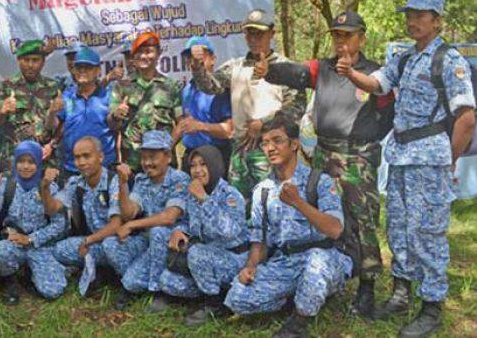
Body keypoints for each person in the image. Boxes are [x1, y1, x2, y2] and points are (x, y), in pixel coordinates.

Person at [340, 0, 475, 337]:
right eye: (409, 14)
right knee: (398, 228)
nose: (412, 21)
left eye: (420, 14)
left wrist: (449, 161)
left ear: (437, 19)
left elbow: (466, 118)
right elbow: (377, 83)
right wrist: (351, 74)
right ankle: (401, 293)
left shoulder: (448, 60)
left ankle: (431, 306)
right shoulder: (405, 58)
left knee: (426, 234)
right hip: (400, 157)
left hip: (429, 159)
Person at [259, 11, 392, 316]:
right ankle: (331, 277)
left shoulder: (376, 74)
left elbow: (387, 114)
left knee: (362, 220)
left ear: (362, 37)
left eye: (347, 35)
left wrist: (365, 139)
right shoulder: (324, 68)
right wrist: (269, 70)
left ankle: (367, 286)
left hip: (357, 157)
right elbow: (296, 72)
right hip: (323, 153)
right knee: (323, 214)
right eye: (336, 35)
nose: (341, 41)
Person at [224, 115, 352, 337]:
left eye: (277, 140)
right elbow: (260, 241)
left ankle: (299, 322)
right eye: (265, 143)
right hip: (286, 262)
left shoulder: (318, 181)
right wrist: (251, 267)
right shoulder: (262, 190)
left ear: (294, 144)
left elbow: (335, 230)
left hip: (323, 255)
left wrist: (299, 203)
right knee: (238, 297)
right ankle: (298, 297)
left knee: (316, 265)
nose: (270, 148)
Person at [190, 9, 306, 203]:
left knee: (273, 203)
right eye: (250, 33)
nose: (254, 39)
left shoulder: (286, 68)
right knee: (238, 205)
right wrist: (197, 67)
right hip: (240, 151)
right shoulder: (236, 66)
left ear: (272, 33)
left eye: (259, 33)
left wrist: (264, 123)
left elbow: (296, 108)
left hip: (272, 152)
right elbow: (210, 87)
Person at [158, 145, 248, 326]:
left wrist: (205, 200)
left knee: (197, 252)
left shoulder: (230, 195)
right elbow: (192, 222)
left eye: (203, 164)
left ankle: (213, 305)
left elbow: (229, 231)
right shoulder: (194, 193)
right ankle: (215, 292)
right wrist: (180, 231)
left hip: (233, 258)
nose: (197, 170)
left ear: (214, 165)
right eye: (193, 165)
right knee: (167, 281)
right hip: (207, 258)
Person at [51, 137, 146, 295]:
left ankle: (129, 283)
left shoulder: (113, 181)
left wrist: (88, 240)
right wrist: (45, 188)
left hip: (121, 241)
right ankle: (103, 271)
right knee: (59, 250)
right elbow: (53, 208)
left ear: (100, 157)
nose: (81, 162)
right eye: (77, 157)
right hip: (96, 242)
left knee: (110, 245)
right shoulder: (76, 182)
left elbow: (116, 225)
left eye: (87, 156)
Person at [107, 130, 190, 311]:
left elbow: (169, 218)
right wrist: (122, 184)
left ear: (168, 156)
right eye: (143, 158)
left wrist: (131, 225)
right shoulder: (142, 180)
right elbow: (129, 212)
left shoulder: (179, 179)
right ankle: (135, 280)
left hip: (172, 244)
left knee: (158, 232)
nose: (146, 163)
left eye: (152, 157)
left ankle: (160, 292)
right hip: (148, 241)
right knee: (110, 244)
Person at [0, 140, 67, 302]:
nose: (25, 166)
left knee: (53, 290)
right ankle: (10, 278)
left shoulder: (49, 187)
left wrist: (31, 239)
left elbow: (59, 224)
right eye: (21, 161)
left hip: (39, 246)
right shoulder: (5, 185)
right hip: (12, 243)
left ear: (39, 162)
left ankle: (30, 272)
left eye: (31, 162)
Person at [108, 31, 182, 172]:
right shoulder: (121, 86)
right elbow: (111, 124)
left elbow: (181, 124)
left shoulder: (171, 86)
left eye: (149, 52)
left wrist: (166, 148)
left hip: (163, 165)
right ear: (134, 57)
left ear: (159, 53)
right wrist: (115, 115)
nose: (144, 56)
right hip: (131, 164)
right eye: (139, 52)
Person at [0, 40, 62, 171]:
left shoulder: (52, 87)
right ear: (18, 61)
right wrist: (2, 110)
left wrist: (51, 145)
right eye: (26, 60)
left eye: (35, 60)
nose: (30, 65)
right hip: (15, 158)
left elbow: (60, 123)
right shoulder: (4, 86)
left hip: (45, 157)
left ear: (43, 62)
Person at [55, 47, 117, 182]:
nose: (82, 71)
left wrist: (116, 115)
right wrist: (51, 113)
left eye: (88, 67)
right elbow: (55, 128)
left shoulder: (109, 95)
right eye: (79, 67)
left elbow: (115, 126)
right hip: (72, 169)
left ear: (98, 71)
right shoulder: (66, 97)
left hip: (103, 169)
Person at [173, 36, 233, 171]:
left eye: (200, 58)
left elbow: (229, 130)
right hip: (190, 156)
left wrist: (200, 126)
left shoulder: (221, 90)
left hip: (215, 156)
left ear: (213, 59)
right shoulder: (186, 90)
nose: (194, 61)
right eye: (190, 57)